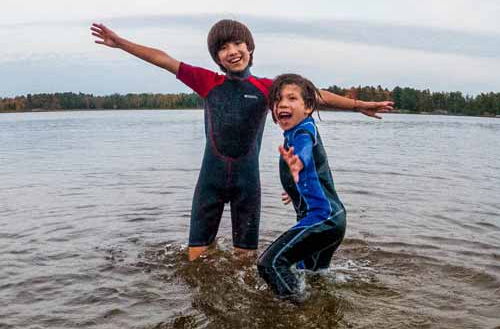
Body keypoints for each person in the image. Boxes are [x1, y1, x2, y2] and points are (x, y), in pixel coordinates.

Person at [90, 19, 391, 260]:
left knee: (245, 262)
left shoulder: (267, 88)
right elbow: (164, 60)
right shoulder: (208, 82)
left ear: (249, 48)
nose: (232, 51)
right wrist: (120, 44)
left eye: (237, 43)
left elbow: (313, 94)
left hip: (248, 184)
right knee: (196, 259)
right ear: (216, 57)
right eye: (223, 48)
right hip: (209, 182)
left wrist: (358, 105)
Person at [257, 74, 346, 301]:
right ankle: (318, 315)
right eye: (277, 100)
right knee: (311, 276)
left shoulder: (302, 132)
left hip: (322, 218)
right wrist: (296, 188)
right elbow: (318, 173)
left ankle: (295, 316)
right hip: (333, 220)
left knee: (270, 264)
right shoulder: (299, 130)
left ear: (308, 107)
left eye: (291, 98)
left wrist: (300, 161)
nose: (283, 104)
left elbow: (303, 149)